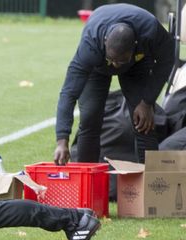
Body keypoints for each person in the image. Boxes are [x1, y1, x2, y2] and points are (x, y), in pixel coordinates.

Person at [54, 3, 175, 166]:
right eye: (112, 60)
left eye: (120, 61)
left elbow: (167, 60)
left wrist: (147, 102)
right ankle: (88, 181)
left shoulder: (151, 31)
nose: (116, 66)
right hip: (98, 68)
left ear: (135, 45)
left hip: (136, 65)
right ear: (104, 42)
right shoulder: (90, 45)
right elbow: (69, 92)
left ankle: (151, 185)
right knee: (90, 118)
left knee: (143, 122)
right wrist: (62, 140)